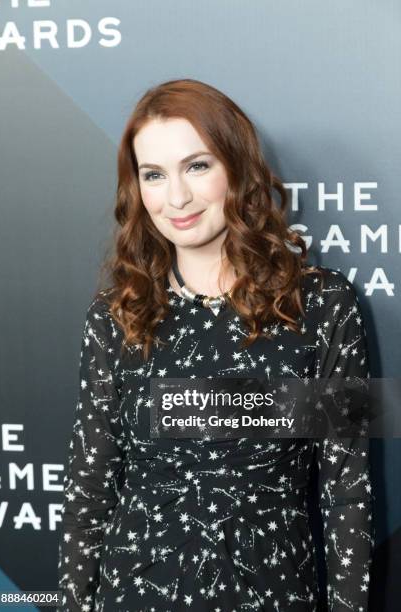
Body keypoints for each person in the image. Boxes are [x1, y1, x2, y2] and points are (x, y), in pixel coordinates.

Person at [57, 78, 375, 611]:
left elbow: (346, 493)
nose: (175, 197)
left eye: (196, 166)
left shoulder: (320, 306)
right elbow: (90, 489)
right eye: (153, 175)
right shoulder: (116, 318)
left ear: (238, 169)